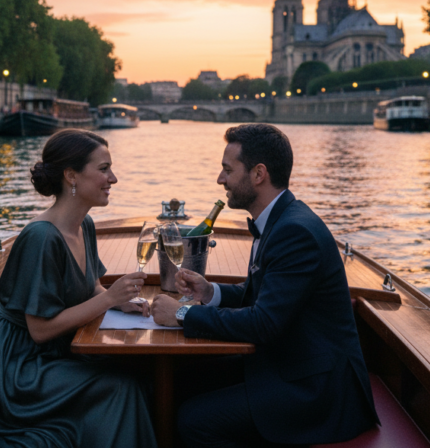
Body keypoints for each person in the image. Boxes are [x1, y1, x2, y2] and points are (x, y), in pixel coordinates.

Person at [0, 129, 158, 448]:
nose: (113, 178)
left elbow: (91, 288)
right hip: (14, 368)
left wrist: (118, 302)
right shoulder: (41, 238)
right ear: (71, 175)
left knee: (138, 372)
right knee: (120, 387)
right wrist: (110, 299)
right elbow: (40, 329)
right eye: (103, 169)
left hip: (49, 355)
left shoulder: (83, 225)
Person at [153, 123, 379, 447]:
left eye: (227, 170)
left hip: (315, 390)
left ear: (258, 174)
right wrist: (209, 292)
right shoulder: (281, 219)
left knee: (194, 420)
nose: (220, 180)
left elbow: (264, 323)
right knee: (183, 378)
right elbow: (261, 297)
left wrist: (182, 315)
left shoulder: (294, 232)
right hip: (288, 362)